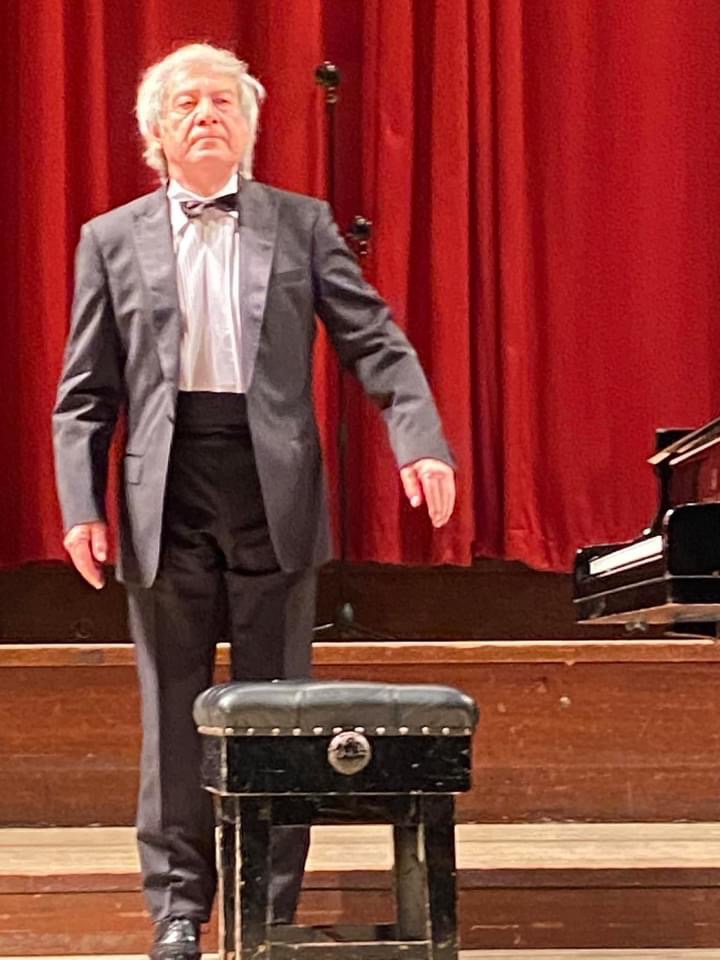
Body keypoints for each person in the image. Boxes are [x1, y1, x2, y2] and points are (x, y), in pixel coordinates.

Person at [53, 43, 456, 960]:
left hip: (272, 484)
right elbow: (84, 394)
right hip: (166, 487)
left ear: (249, 126)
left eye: (224, 101)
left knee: (281, 709)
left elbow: (375, 341)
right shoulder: (109, 239)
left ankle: (266, 908)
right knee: (174, 712)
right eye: (186, 102)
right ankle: (178, 910)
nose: (207, 114)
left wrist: (420, 439)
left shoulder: (301, 224)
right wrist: (81, 502)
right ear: (156, 132)